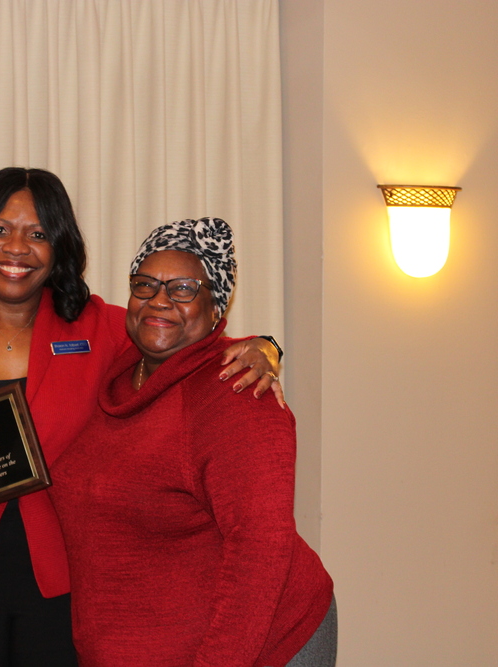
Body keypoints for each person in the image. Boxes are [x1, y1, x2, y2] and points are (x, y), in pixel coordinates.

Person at [0, 168, 284, 667]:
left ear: (60, 248)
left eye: (38, 234)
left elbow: (182, 335)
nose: (16, 249)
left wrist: (266, 346)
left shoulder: (103, 327)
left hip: (69, 590)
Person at [48, 217, 336, 667]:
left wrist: (268, 348)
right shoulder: (124, 367)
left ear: (217, 306)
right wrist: (268, 344)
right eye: (144, 284)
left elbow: (261, 550)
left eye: (183, 289)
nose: (159, 300)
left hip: (261, 645)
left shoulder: (238, 393)